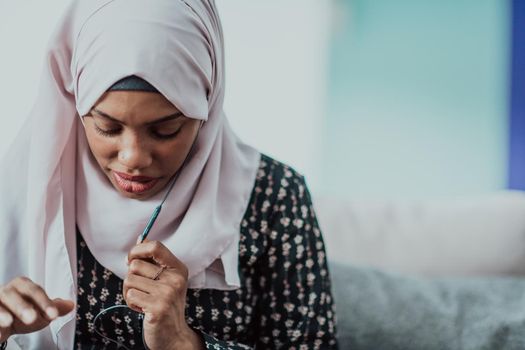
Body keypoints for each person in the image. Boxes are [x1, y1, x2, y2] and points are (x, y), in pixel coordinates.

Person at [0, 0, 338, 349]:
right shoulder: (27, 190)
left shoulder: (275, 197)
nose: (133, 158)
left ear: (208, 104)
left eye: (165, 130)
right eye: (107, 127)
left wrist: (183, 342)